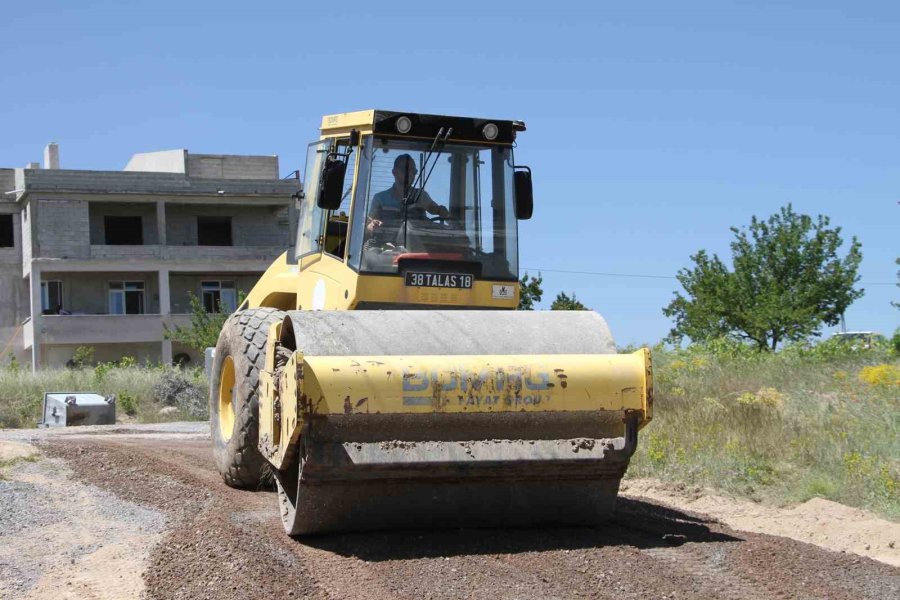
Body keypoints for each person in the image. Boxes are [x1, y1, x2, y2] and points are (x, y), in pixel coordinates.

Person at [366, 154, 449, 236]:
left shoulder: (420, 196)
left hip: (418, 245)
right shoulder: (380, 199)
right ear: (394, 172)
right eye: (405, 170)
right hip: (386, 245)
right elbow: (369, 224)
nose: (410, 174)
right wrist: (371, 225)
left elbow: (436, 210)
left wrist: (444, 213)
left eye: (413, 171)